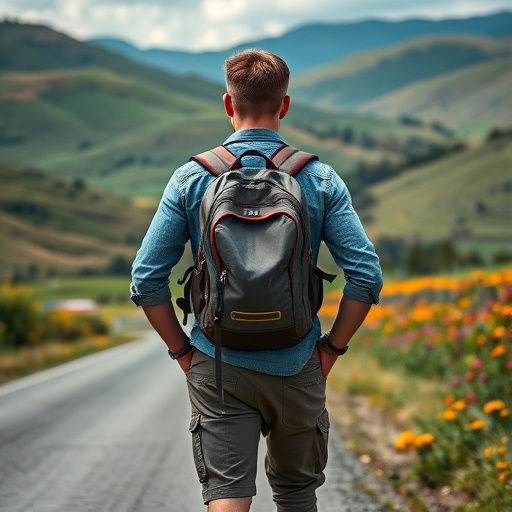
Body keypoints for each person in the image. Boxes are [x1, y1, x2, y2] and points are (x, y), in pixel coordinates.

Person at [130, 49, 383, 512]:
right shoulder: (319, 179)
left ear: (228, 103)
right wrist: (330, 350)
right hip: (298, 360)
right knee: (295, 495)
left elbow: (146, 279)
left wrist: (185, 353)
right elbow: (366, 275)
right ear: (284, 105)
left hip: (217, 360)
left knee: (227, 498)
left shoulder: (191, 179)